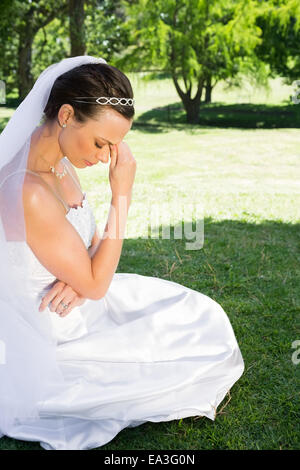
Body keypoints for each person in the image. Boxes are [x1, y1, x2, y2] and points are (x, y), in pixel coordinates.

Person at [0, 56, 245, 451]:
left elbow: (95, 245)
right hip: (54, 329)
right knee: (192, 350)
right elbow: (97, 275)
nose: (104, 158)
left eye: (113, 147)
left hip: (80, 299)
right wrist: (121, 194)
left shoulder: (59, 162)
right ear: (66, 115)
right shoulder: (27, 188)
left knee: (200, 315)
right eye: (100, 143)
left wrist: (82, 283)